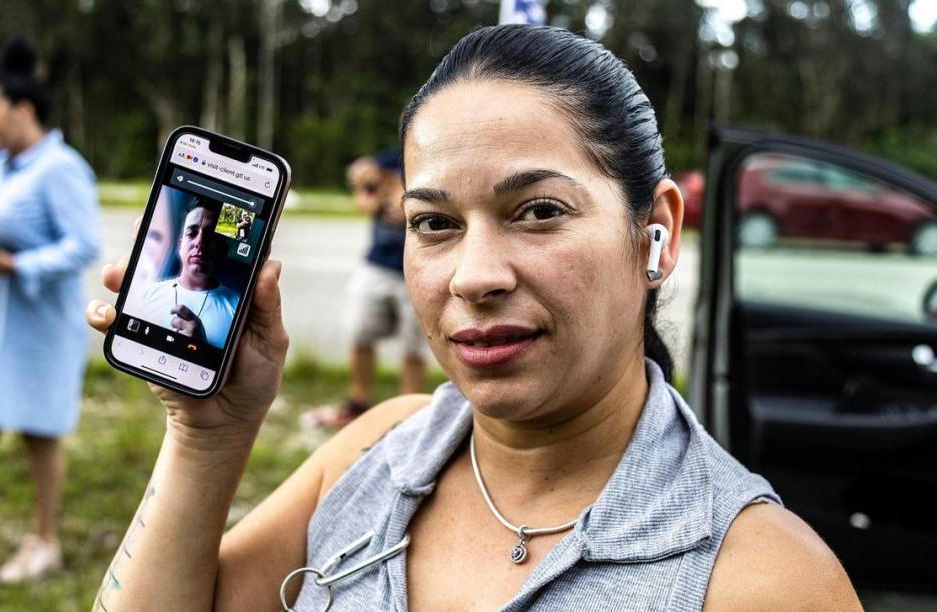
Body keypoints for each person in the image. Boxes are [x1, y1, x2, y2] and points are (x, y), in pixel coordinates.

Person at [86, 26, 861, 610]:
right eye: (434, 223)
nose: (475, 277)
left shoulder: (760, 577)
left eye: (538, 211)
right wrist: (206, 437)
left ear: (654, 231)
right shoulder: (373, 453)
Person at [0, 38, 101, 582]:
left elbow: (82, 244)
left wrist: (18, 266)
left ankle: (44, 539)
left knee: (37, 433)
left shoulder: (61, 168)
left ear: (23, 110)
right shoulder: (3, 167)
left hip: (37, 328)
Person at [304, 152, 427, 427]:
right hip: (377, 265)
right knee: (359, 332)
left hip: (417, 269)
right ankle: (358, 403)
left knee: (415, 346)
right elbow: (362, 197)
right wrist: (379, 199)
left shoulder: (432, 156)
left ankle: (412, 416)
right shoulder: (388, 160)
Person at [135, 196, 239, 349]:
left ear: (223, 250)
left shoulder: (238, 308)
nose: (199, 242)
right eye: (192, 233)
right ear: (180, 245)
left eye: (211, 236)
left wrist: (201, 348)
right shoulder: (149, 293)